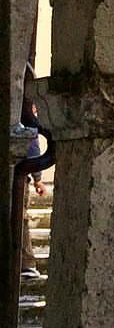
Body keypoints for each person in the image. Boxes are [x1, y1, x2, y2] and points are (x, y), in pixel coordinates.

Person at [17, 96, 53, 279]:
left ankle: (26, 264)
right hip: (19, 170)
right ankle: (26, 264)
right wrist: (38, 179)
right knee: (19, 218)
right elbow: (32, 143)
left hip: (19, 171)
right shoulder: (25, 108)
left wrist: (37, 178)